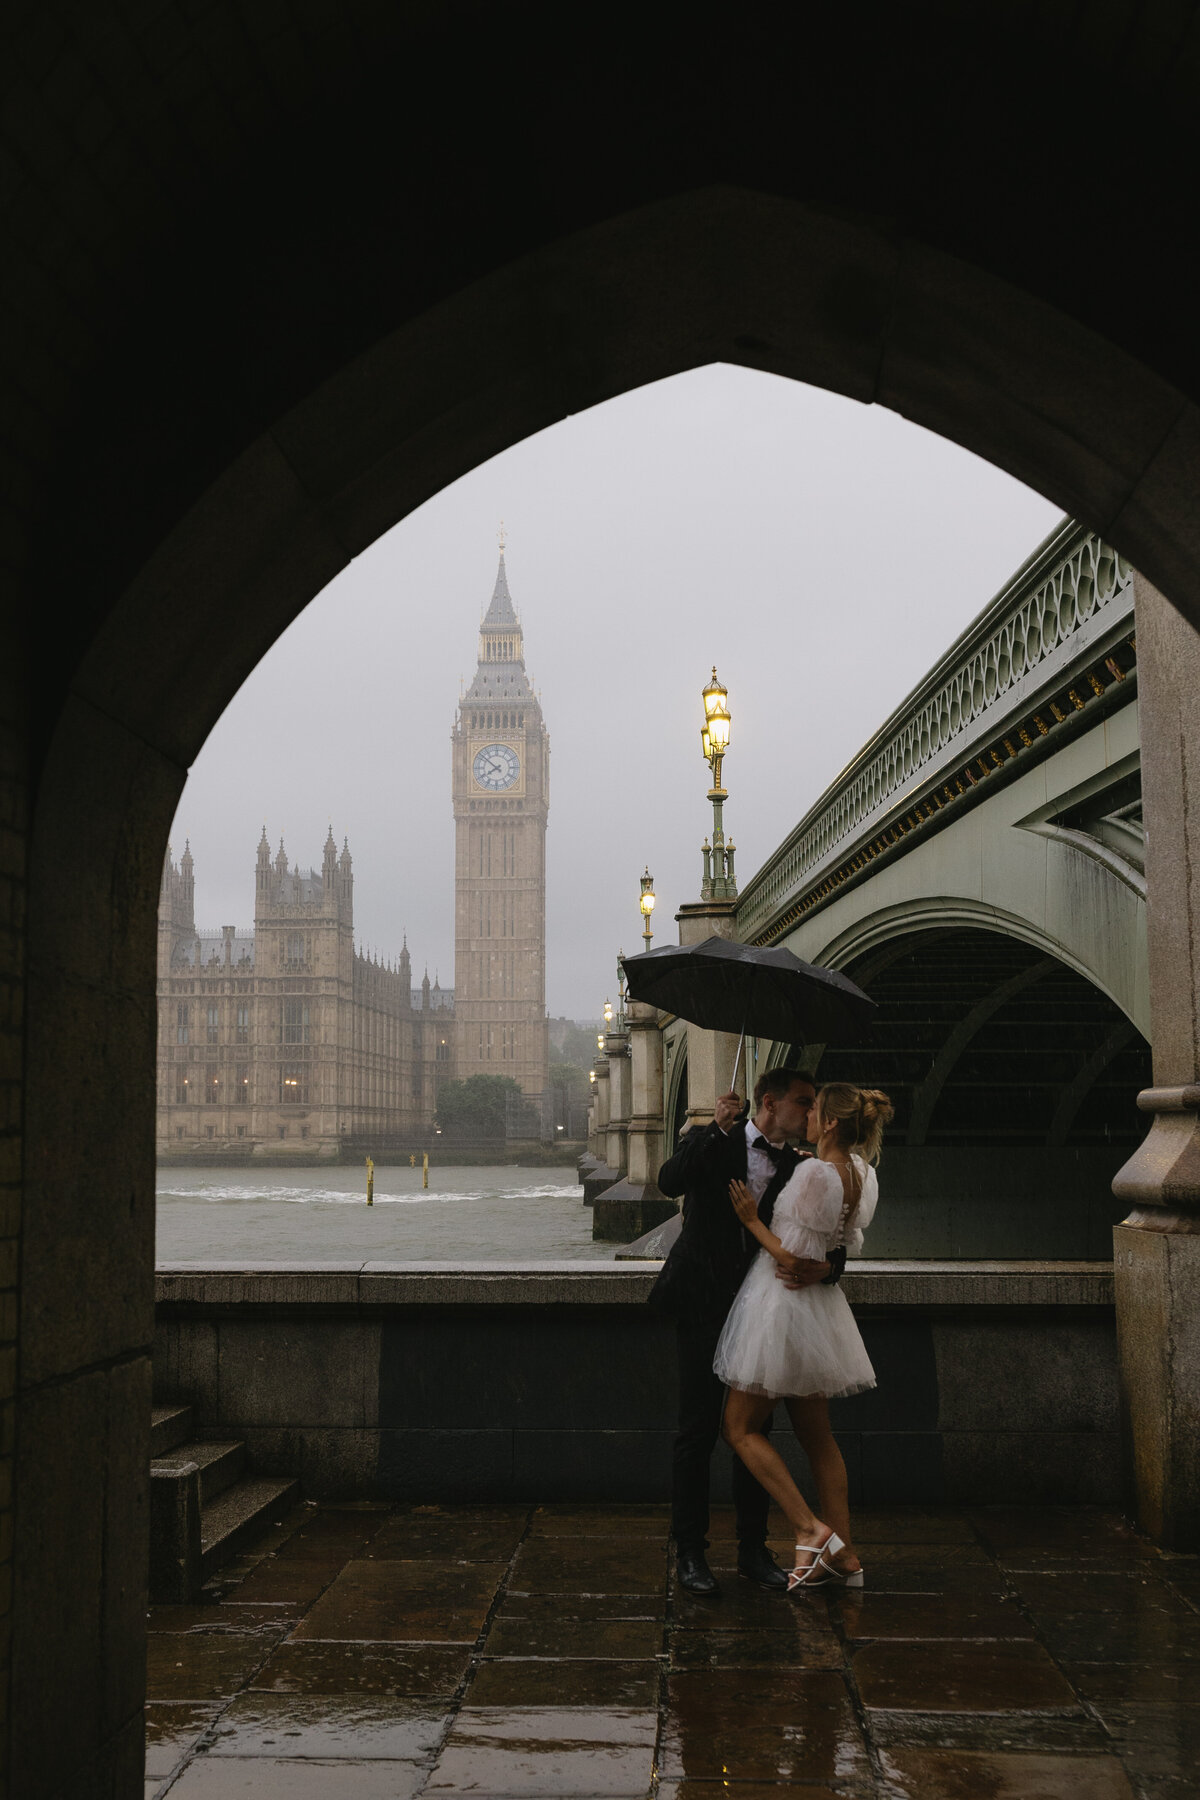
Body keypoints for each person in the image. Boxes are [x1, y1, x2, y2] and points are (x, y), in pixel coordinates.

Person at [650, 1067, 834, 1597]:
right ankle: (690, 1553)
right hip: (702, 1303)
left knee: (753, 1435)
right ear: (769, 1104)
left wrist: (832, 1269)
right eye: (803, 1102)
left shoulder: (800, 1168)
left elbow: (820, 1238)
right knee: (696, 1432)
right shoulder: (714, 1140)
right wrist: (713, 1127)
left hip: (759, 1310)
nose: (810, 1113)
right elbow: (668, 1182)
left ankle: (754, 1550)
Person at [715, 1081, 894, 1590]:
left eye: (815, 1110)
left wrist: (751, 1219)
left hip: (781, 1307)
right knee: (819, 1439)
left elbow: (791, 1259)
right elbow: (835, 1247)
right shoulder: (860, 1172)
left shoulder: (815, 1173)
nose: (808, 1115)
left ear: (831, 1122)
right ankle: (847, 1554)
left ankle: (807, 1527)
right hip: (821, 1312)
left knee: (739, 1428)